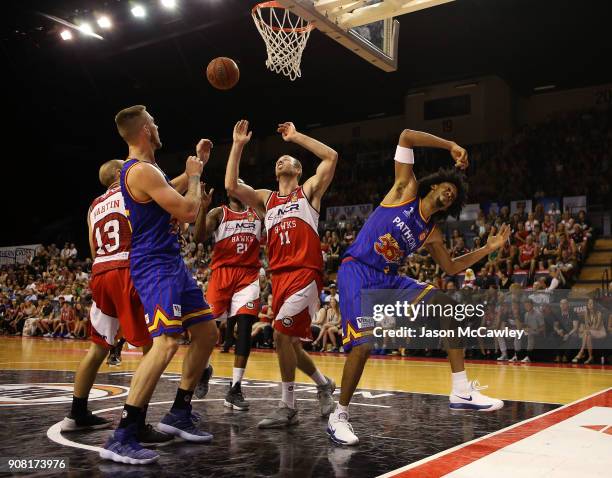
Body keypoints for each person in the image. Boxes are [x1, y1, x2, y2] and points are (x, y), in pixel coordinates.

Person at [328, 128, 509, 445]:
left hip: (388, 278)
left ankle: (461, 390)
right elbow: (406, 135)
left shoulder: (432, 233)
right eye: (447, 187)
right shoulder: (405, 189)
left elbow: (451, 267)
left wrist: (487, 249)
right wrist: (451, 144)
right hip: (357, 269)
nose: (450, 193)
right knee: (364, 345)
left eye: (454, 194)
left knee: (447, 304)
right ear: (435, 184)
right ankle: (339, 415)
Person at [101, 105, 218, 465]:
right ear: (144, 132)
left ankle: (179, 413)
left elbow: (168, 190)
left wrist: (191, 168)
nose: (158, 124)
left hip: (171, 263)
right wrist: (195, 178)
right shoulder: (141, 170)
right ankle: (123, 433)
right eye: (153, 121)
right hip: (154, 265)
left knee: (207, 333)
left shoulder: (148, 172)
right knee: (166, 342)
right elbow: (186, 211)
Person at [225, 119, 337, 428]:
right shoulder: (266, 199)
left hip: (306, 272)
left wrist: (296, 136)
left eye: (285, 159)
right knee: (290, 343)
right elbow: (231, 187)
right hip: (280, 278)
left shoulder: (309, 193)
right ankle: (324, 383)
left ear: (298, 170)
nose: (280, 161)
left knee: (280, 334)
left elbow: (331, 158)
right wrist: (237, 146)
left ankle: (288, 406)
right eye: (278, 161)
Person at [62, 160, 168, 446]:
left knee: (98, 347)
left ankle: (76, 413)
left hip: (101, 272)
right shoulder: (133, 190)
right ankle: (137, 422)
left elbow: (93, 247)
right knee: (152, 347)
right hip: (127, 269)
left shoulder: (94, 205)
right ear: (123, 174)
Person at [193, 178, 263, 411]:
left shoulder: (257, 213)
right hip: (222, 275)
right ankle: (204, 369)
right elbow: (198, 238)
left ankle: (235, 388)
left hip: (248, 276)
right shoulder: (218, 213)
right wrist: (203, 208)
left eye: (242, 184)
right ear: (229, 191)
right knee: (207, 330)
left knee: (244, 327)